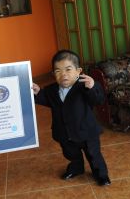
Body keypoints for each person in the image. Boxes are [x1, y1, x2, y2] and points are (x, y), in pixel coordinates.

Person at [32, 50, 111, 186]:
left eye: (68, 69)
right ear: (53, 74)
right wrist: (38, 93)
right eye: (58, 71)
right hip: (64, 132)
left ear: (78, 71)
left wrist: (92, 87)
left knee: (93, 154)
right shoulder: (51, 90)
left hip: (86, 131)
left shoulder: (84, 86)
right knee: (71, 153)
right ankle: (77, 168)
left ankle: (101, 174)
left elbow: (98, 99)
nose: (63, 74)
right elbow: (46, 99)